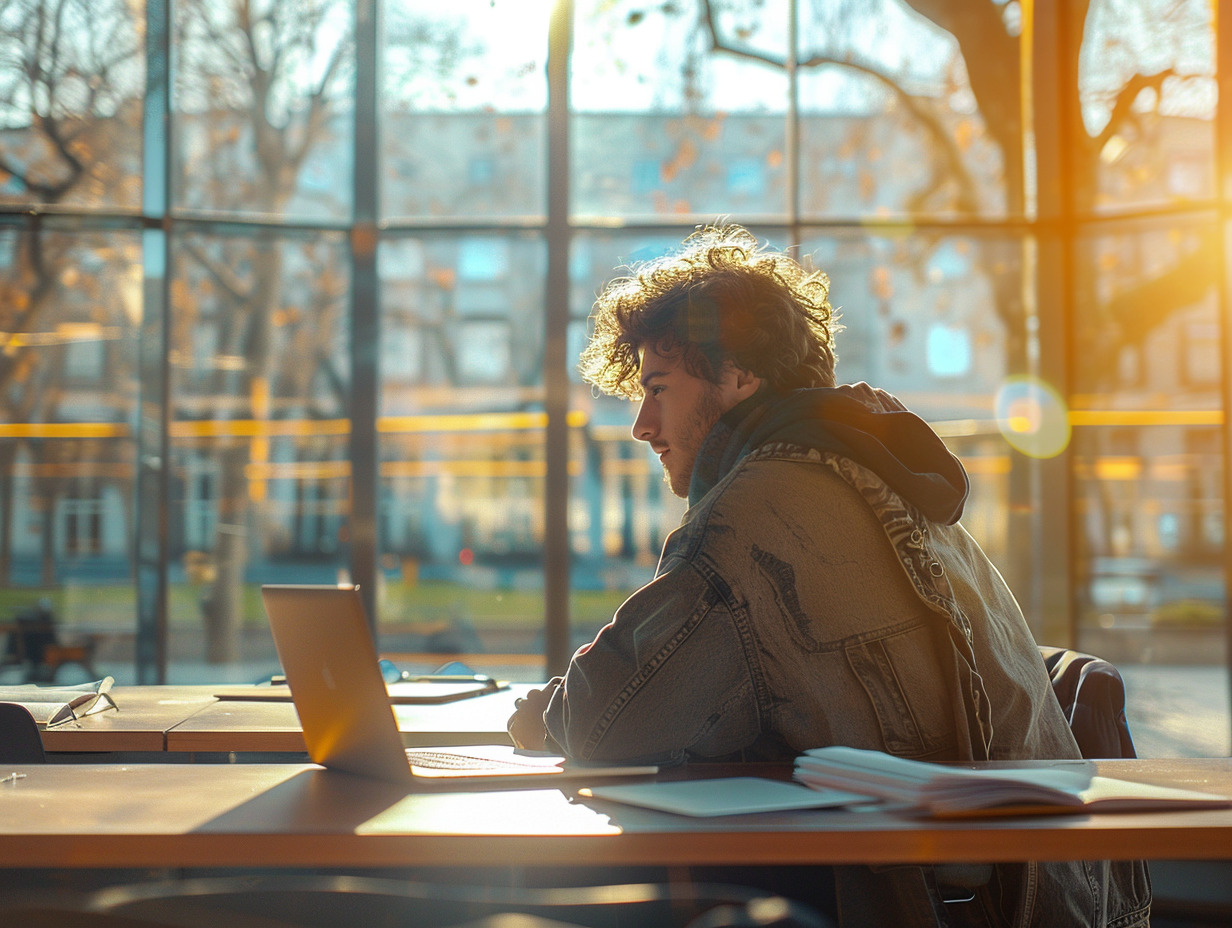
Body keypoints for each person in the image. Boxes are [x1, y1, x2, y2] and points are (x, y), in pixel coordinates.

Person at [507, 223, 1150, 928]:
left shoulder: (756, 510)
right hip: (1038, 898)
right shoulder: (876, 470)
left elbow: (609, 720)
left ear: (738, 374)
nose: (641, 423)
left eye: (659, 388)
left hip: (924, 906)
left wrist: (540, 716)